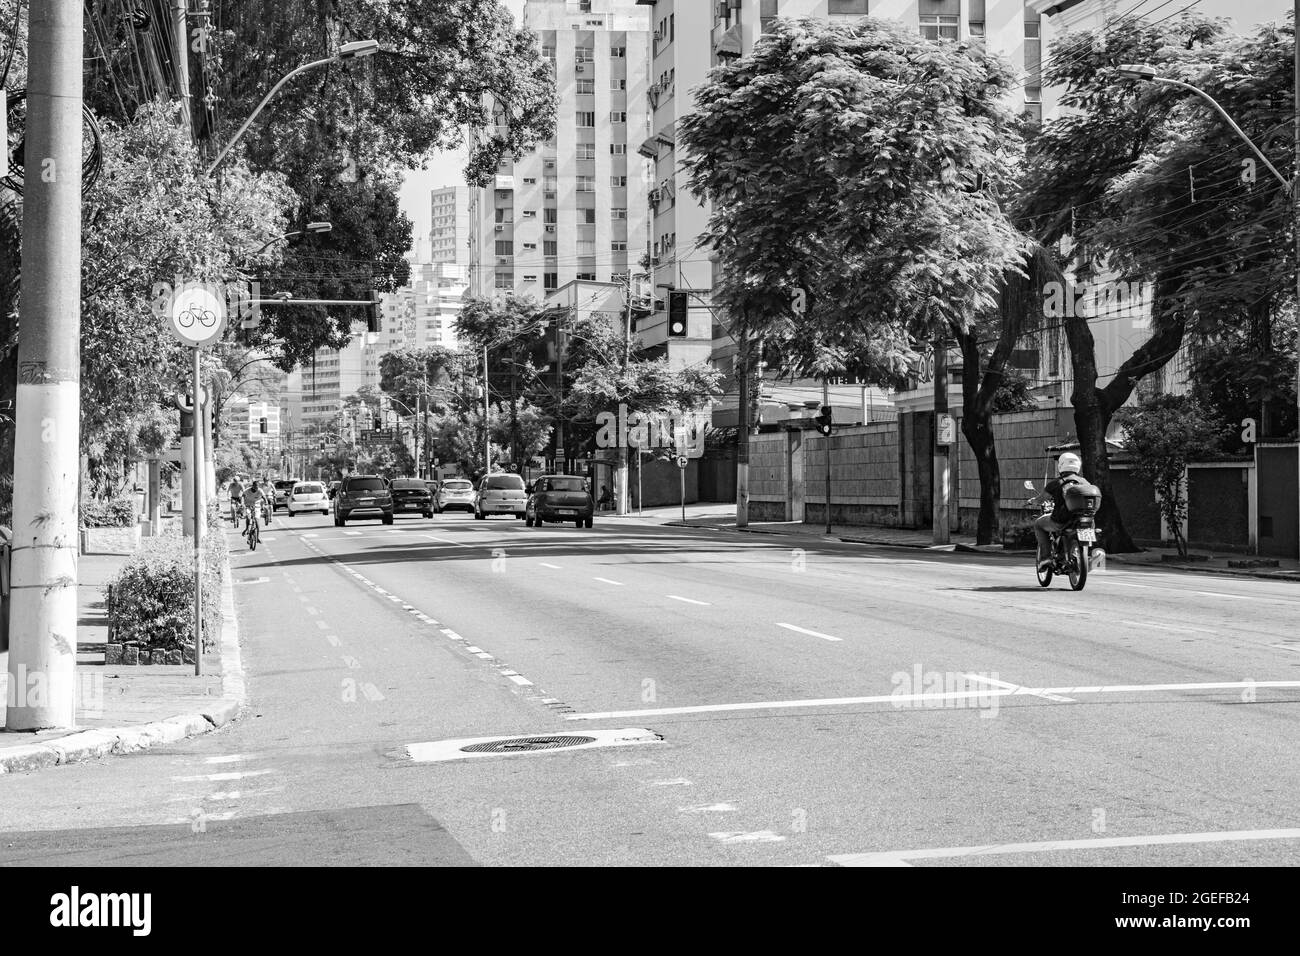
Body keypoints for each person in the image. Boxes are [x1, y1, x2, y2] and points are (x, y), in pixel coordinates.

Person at [1035, 452, 1087, 572]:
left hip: (1061, 520)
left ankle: (1046, 558)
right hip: (1083, 520)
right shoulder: (1084, 482)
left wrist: (1033, 501)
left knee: (1038, 524)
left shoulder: (1057, 483)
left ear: (1061, 465)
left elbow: (1041, 499)